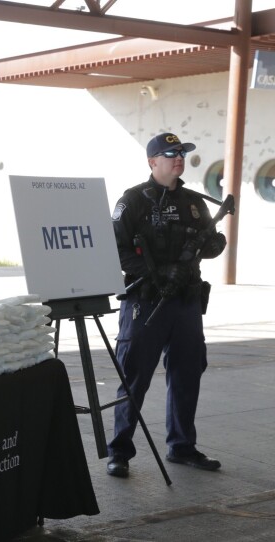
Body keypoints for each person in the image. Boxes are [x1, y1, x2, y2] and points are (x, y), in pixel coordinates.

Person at [106, 132, 228, 478]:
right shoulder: (133, 201)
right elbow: (116, 249)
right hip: (147, 302)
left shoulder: (194, 202)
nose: (178, 158)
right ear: (152, 161)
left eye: (182, 153)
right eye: (170, 153)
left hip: (186, 302)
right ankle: (119, 452)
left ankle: (182, 447)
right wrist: (155, 273)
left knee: (188, 373)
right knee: (134, 378)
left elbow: (208, 243)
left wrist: (213, 244)